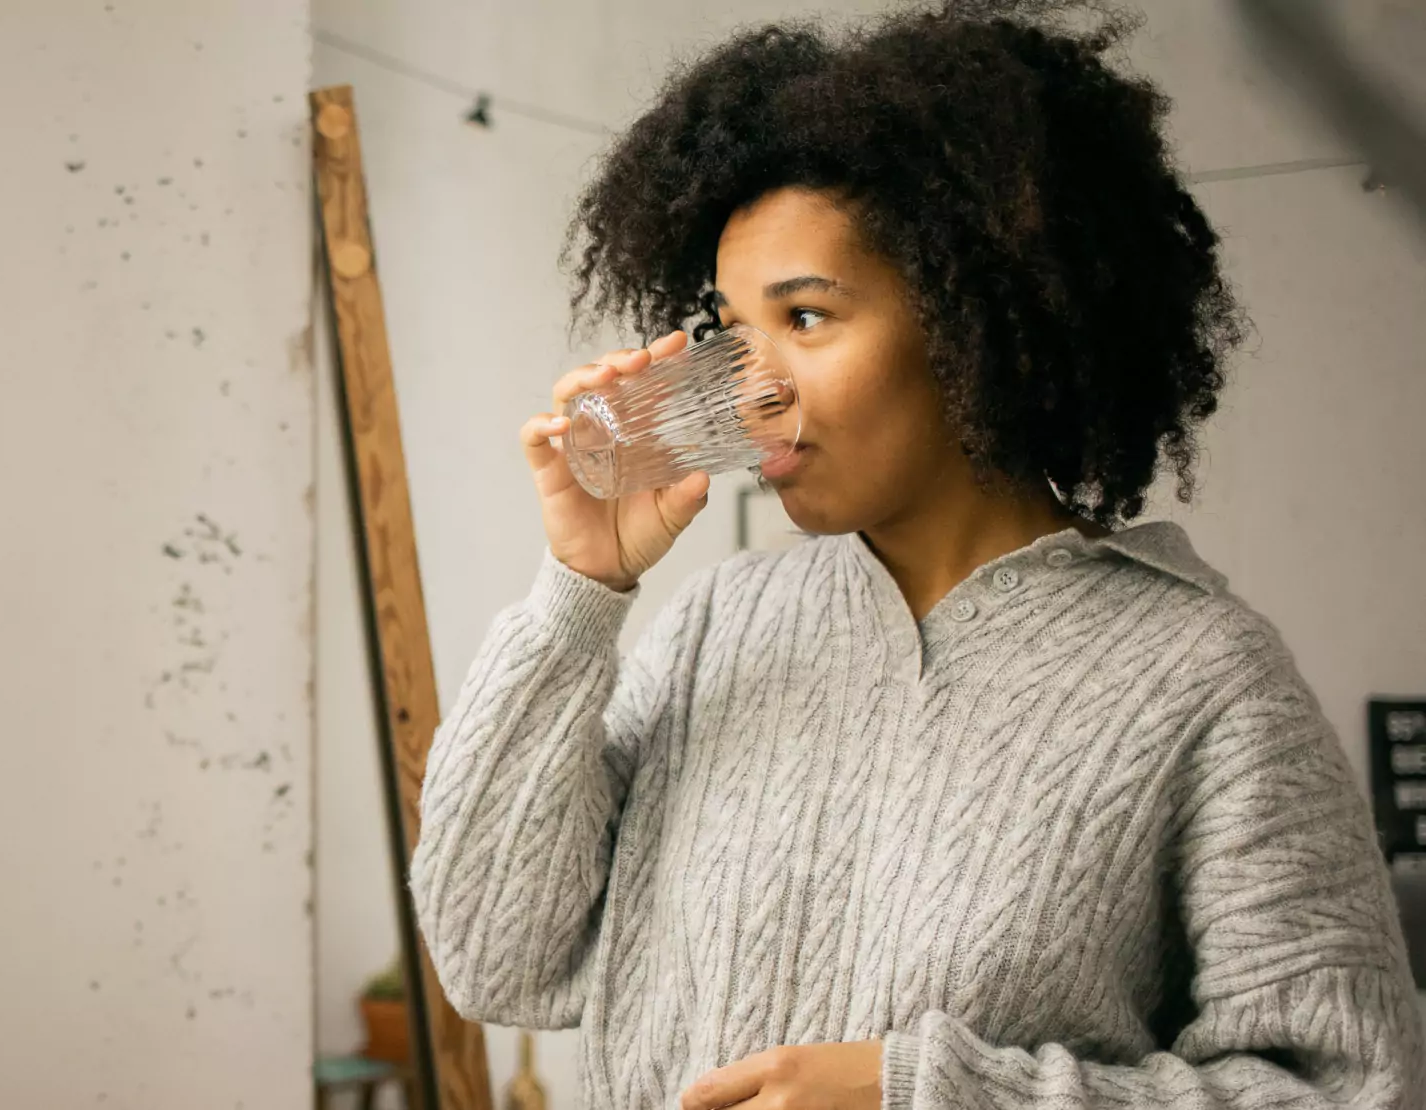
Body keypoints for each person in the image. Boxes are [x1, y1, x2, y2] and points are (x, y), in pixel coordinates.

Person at [410, 2, 1425, 1107]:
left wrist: (930, 1092)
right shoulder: (718, 629)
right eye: (732, 333)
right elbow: (491, 957)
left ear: (979, 314)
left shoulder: (1206, 683)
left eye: (806, 318)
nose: (753, 388)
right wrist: (580, 589)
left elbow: (1346, 1088)